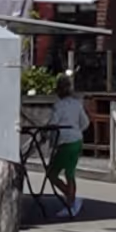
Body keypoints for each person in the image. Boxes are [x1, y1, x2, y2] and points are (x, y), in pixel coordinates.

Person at [47, 74, 90, 218]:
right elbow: (85, 123)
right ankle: (72, 199)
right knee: (70, 172)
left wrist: (50, 138)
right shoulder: (77, 104)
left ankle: (71, 199)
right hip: (76, 139)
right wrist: (77, 131)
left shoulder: (58, 106)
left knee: (52, 173)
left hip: (64, 141)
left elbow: (53, 123)